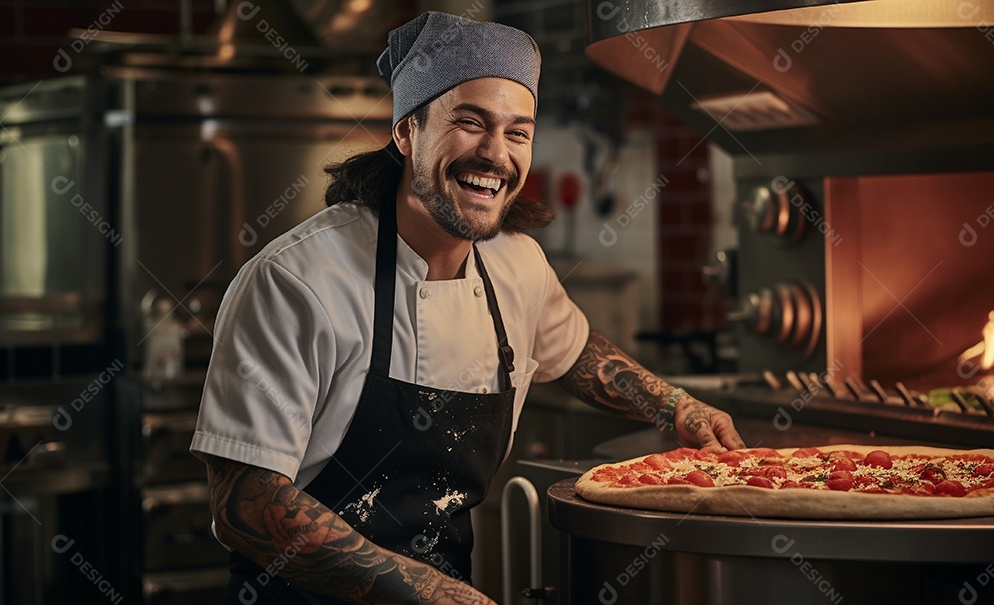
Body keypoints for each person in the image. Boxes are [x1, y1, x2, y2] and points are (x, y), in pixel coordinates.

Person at [190, 10, 744, 605]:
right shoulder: (296, 282)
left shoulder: (518, 265)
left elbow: (576, 351)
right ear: (406, 132)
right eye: (470, 122)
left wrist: (674, 406)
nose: (495, 154)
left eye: (518, 132)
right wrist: (426, 591)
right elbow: (244, 505)